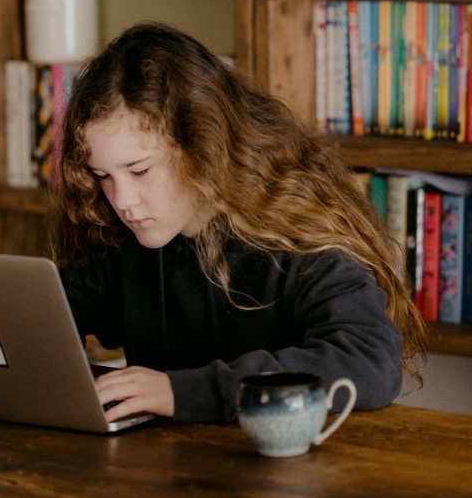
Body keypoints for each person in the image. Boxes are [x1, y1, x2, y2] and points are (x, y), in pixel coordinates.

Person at [51, 21, 427, 424]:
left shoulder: (299, 229)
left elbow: (368, 361)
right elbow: (52, 323)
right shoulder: (117, 232)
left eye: (140, 171)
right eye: (103, 176)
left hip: (292, 474)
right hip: (167, 471)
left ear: (204, 147)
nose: (122, 200)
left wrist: (181, 392)